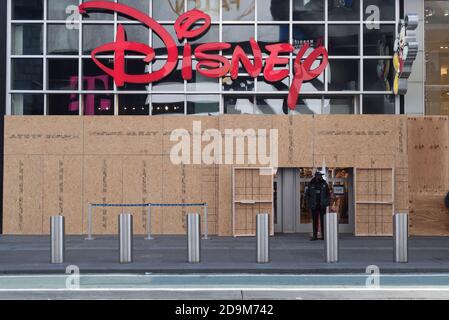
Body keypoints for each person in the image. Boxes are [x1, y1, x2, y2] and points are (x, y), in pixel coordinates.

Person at [306, 170, 331, 241]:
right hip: (314, 206)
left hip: (322, 205)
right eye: (320, 176)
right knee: (315, 221)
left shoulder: (324, 184)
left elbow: (328, 195)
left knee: (323, 221)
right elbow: (307, 195)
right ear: (316, 176)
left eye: (321, 176)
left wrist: (326, 203)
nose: (321, 177)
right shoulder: (311, 184)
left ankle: (323, 236)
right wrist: (310, 203)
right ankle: (315, 236)